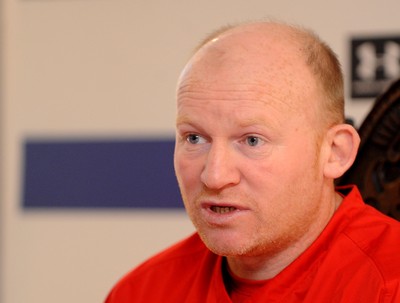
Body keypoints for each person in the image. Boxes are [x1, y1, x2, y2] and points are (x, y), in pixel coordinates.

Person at [105, 21, 400, 302]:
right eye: (194, 138)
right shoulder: (140, 292)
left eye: (252, 140)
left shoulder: (390, 284)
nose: (215, 176)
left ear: (335, 152)